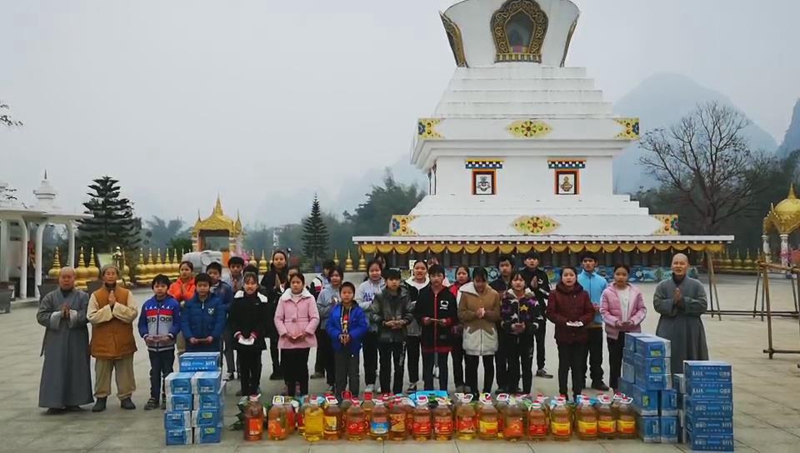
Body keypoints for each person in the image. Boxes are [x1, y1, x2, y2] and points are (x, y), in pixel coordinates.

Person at [37, 267, 93, 414]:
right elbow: (41, 316)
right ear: (59, 279)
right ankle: (53, 402)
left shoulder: (83, 297)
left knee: (77, 368)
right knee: (54, 370)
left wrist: (72, 315)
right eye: (63, 277)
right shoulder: (50, 297)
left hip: (77, 338)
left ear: (74, 279)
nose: (66, 280)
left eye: (69, 277)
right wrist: (58, 315)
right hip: (56, 338)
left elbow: (88, 314)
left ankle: (75, 401)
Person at [87, 264, 139, 412]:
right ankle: (101, 397)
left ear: (117, 276)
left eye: (113, 273)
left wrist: (115, 305)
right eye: (107, 273)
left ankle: (125, 397)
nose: (110, 276)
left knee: (125, 371)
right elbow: (92, 317)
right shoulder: (96, 295)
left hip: (123, 339)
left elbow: (132, 314)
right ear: (103, 276)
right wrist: (109, 308)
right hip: (103, 340)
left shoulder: (126, 293)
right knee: (102, 372)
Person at [654, 253, 709, 374]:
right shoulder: (663, 286)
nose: (678, 266)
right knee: (668, 360)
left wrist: (684, 302)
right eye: (676, 263)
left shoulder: (696, 285)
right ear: (671, 266)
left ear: (688, 266)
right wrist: (674, 302)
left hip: (691, 329)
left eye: (682, 263)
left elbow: (703, 305)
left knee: (691, 358)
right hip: (669, 328)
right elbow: (657, 304)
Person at [547, 266, 595, 401]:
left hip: (580, 335)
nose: (568, 277)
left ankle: (577, 394)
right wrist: (565, 322)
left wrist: (581, 321)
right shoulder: (554, 294)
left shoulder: (583, 294)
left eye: (571, 275)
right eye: (565, 275)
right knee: (564, 365)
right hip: (563, 335)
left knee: (578, 366)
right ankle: (563, 394)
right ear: (561, 278)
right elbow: (550, 313)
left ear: (576, 277)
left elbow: (590, 312)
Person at [137, 274, 181, 410]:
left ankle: (166, 395)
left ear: (168, 287)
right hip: (152, 347)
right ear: (153, 288)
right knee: (154, 372)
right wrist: (145, 336)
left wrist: (170, 335)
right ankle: (154, 397)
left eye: (163, 286)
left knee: (167, 371)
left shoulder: (173, 304)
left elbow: (177, 323)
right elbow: (142, 324)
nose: (160, 289)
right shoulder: (147, 305)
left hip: (167, 345)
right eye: (157, 286)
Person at [600, 264, 647, 393]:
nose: (620, 277)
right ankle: (616, 388)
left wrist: (633, 321)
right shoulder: (607, 292)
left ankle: (632, 387)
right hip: (614, 333)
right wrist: (615, 322)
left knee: (631, 361)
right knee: (615, 361)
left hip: (632, 332)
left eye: (624, 274)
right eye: (618, 274)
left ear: (628, 276)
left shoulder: (635, 292)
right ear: (613, 275)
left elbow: (641, 309)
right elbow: (603, 311)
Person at [370, 268, 414, 395]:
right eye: (391, 279)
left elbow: (410, 312)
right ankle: (385, 393)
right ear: (386, 281)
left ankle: (397, 394)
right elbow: (374, 314)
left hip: (401, 336)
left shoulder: (405, 295)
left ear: (400, 281)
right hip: (384, 336)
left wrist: (403, 322)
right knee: (385, 367)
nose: (394, 282)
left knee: (399, 367)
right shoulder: (379, 296)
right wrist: (385, 323)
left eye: (396, 279)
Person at [274, 273, 319, 397]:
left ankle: (304, 394)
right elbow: (278, 318)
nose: (295, 285)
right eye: (293, 282)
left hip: (303, 339)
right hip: (288, 339)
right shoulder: (283, 299)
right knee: (289, 369)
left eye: (298, 282)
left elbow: (315, 317)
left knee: (302, 367)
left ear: (303, 284)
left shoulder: (309, 298)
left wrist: (307, 332)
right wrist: (285, 333)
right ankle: (290, 394)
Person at [458, 268, 501, 396]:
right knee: (471, 365)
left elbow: (497, 314)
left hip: (488, 333)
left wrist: (487, 314)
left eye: (483, 281)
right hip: (472, 333)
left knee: (489, 364)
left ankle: (486, 391)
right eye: (477, 281)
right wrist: (474, 314)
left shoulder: (494, 294)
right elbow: (461, 314)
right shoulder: (465, 294)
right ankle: (473, 391)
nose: (480, 284)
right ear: (473, 280)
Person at [415, 264, 458, 391]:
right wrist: (423, 320)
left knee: (443, 366)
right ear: (430, 277)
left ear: (443, 277)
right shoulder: (423, 294)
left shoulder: (449, 295)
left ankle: (443, 392)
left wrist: (448, 321)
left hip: (444, 336)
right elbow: (417, 313)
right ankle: (428, 391)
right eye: (433, 276)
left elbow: (455, 315)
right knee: (427, 366)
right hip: (427, 335)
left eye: (439, 276)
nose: (436, 279)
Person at [500, 271, 545, 395]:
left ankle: (526, 393)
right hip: (510, 338)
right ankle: (512, 391)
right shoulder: (506, 298)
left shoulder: (531, 299)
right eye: (515, 280)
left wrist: (527, 327)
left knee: (527, 367)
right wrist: (511, 326)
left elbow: (539, 319)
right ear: (511, 282)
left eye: (521, 280)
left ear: (525, 282)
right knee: (513, 366)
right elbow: (502, 319)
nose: (518, 283)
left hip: (527, 338)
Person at [229, 272, 269, 397]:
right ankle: (244, 388)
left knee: (255, 365)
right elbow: (232, 319)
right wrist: (238, 334)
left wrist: (255, 334)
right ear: (243, 285)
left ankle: (254, 387)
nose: (250, 286)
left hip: (256, 339)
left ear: (257, 285)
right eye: (247, 283)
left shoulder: (262, 300)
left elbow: (264, 321)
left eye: (253, 283)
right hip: (240, 338)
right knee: (243, 365)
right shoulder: (237, 300)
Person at [327, 282, 368, 400]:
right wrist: (338, 335)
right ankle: (339, 396)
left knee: (353, 373)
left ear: (353, 294)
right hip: (338, 346)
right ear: (340, 294)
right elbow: (329, 326)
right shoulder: (335, 310)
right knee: (340, 373)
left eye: (349, 293)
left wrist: (351, 335)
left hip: (353, 346)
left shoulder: (358, 310)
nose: (346, 295)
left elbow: (363, 326)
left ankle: (354, 396)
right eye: (344, 293)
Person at [577, 253, 610, 391]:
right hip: (581, 324)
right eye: (585, 261)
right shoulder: (576, 279)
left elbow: (607, 300)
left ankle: (597, 380)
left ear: (596, 263)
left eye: (591, 261)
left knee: (596, 355)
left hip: (596, 323)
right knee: (580, 354)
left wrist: (600, 308)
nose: (588, 263)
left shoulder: (602, 281)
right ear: (581, 264)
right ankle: (580, 380)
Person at [519, 252, 553, 379]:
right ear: (524, 261)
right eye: (529, 259)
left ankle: (540, 367)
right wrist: (528, 290)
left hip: (539, 312)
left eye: (534, 259)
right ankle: (525, 368)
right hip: (524, 312)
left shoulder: (542, 275)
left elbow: (548, 294)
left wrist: (537, 288)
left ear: (538, 261)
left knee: (540, 341)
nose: (532, 261)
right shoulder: (520, 274)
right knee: (526, 342)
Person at [356, 259, 385, 393]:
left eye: (377, 270)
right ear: (368, 272)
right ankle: (370, 382)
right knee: (369, 356)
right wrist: (373, 305)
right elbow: (358, 304)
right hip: (367, 327)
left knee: (384, 357)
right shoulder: (363, 287)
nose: (375, 273)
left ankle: (383, 383)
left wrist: (376, 306)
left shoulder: (386, 284)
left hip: (384, 326)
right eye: (372, 270)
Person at [260, 250, 289, 381]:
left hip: (288, 313)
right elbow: (263, 292)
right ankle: (276, 368)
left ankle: (285, 367)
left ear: (285, 260)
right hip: (272, 311)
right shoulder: (268, 275)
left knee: (286, 341)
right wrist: (274, 289)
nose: (279, 261)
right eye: (276, 259)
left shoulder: (289, 275)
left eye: (281, 259)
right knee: (274, 341)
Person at [181, 273, 226, 354]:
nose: (202, 288)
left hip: (212, 344)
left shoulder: (217, 302)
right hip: (193, 344)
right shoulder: (189, 304)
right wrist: (189, 337)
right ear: (196, 286)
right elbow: (184, 322)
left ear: (209, 286)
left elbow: (220, 321)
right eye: (200, 285)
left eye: (205, 285)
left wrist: (213, 336)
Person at [314, 266, 343, 390]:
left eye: (337, 275)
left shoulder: (345, 290)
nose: (335, 278)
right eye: (332, 276)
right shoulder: (324, 292)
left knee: (341, 357)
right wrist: (332, 307)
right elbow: (318, 310)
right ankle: (332, 382)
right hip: (326, 329)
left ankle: (341, 382)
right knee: (329, 357)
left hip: (343, 329)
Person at [490, 255, 514, 393]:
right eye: (501, 266)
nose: (504, 268)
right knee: (500, 357)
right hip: (499, 326)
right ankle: (501, 384)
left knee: (514, 357)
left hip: (515, 326)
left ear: (512, 267)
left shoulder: (518, 282)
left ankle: (513, 384)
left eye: (507, 265)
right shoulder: (493, 286)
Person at [207, 262, 236, 380]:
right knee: (215, 347)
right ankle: (217, 369)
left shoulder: (225, 288)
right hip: (210, 323)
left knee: (228, 346)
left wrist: (220, 308)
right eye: (210, 273)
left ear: (220, 275)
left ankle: (231, 371)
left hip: (225, 321)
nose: (212, 275)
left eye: (215, 273)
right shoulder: (204, 287)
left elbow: (231, 304)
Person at [404, 259, 428, 392]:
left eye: (422, 268)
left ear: (426, 271)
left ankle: (427, 381)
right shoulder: (406, 286)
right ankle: (413, 381)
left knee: (427, 356)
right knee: (412, 355)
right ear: (413, 270)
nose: (419, 271)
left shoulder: (430, 285)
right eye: (417, 268)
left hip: (426, 325)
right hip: (410, 325)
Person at [311, 260, 337, 380]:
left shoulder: (341, 286)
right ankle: (319, 369)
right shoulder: (316, 282)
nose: (328, 272)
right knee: (321, 346)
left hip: (337, 323)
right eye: (327, 269)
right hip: (321, 319)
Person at [448, 265, 470, 392]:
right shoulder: (451, 289)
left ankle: (469, 382)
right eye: (459, 273)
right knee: (456, 359)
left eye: (464, 273)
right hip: (454, 329)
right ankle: (459, 383)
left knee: (469, 359)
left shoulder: (473, 289)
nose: (461, 276)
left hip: (469, 328)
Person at [169, 260, 195, 356]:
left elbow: (192, 298)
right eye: (182, 269)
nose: (184, 272)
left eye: (187, 269)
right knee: (181, 348)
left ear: (192, 271)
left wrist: (184, 292)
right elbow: (170, 300)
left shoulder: (196, 284)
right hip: (178, 319)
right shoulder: (174, 285)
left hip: (192, 318)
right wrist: (179, 293)